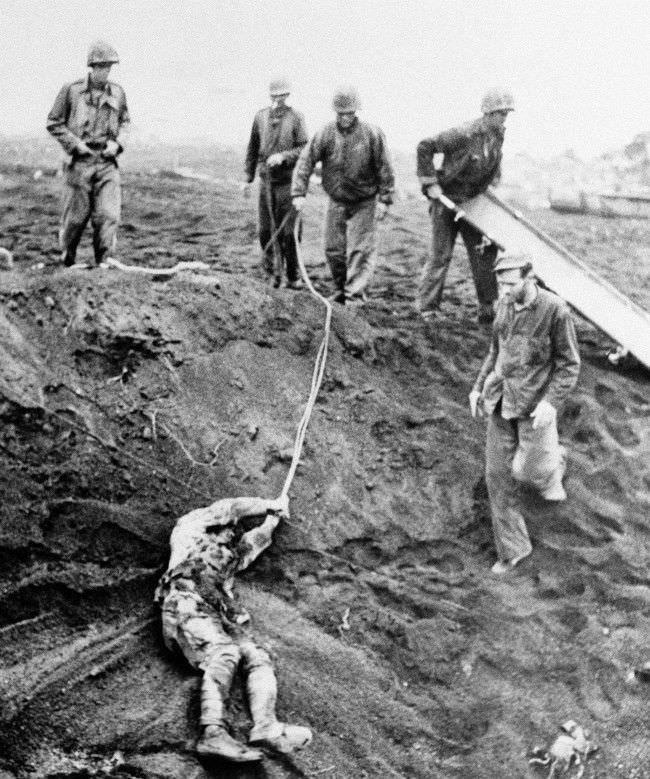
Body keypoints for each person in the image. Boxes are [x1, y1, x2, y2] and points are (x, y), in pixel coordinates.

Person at [155, 493, 312, 762]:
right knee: (224, 653)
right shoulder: (190, 531)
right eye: (229, 528)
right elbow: (228, 508)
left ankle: (266, 726)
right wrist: (267, 504)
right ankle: (212, 734)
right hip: (184, 604)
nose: (233, 533)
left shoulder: (228, 558)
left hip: (215, 615)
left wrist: (271, 522)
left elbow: (252, 545)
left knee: (258, 655)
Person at [469, 253, 580, 574]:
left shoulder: (555, 311)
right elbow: (496, 351)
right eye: (500, 283)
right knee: (497, 476)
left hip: (534, 406)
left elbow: (569, 364)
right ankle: (514, 548)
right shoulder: (502, 306)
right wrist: (478, 387)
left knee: (529, 473)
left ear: (530, 278)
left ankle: (554, 461)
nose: (503, 290)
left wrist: (551, 402)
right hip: (501, 400)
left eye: (510, 283)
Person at [416, 89, 515, 323]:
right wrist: (430, 184)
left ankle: (487, 308)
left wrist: (494, 180)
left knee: (484, 253)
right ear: (488, 113)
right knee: (441, 255)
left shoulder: (498, 134)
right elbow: (425, 147)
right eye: (500, 113)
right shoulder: (464, 133)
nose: (504, 118)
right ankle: (427, 308)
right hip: (447, 201)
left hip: (472, 201)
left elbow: (493, 159)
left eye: (506, 114)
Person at [291, 86, 394, 305]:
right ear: (335, 113)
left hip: (364, 201)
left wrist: (385, 199)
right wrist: (298, 192)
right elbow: (305, 161)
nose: (345, 117)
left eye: (350, 113)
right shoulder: (326, 133)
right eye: (341, 113)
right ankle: (340, 288)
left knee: (360, 250)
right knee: (332, 249)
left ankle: (354, 296)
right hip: (336, 199)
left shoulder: (372, 134)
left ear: (356, 112)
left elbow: (385, 167)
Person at [46, 41, 130, 268]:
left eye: (109, 67)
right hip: (79, 162)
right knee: (74, 219)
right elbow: (54, 122)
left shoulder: (118, 93)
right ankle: (67, 262)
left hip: (106, 162)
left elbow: (126, 123)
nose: (105, 71)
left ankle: (105, 263)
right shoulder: (71, 91)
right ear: (91, 67)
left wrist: (117, 143)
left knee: (108, 216)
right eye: (101, 66)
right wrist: (74, 144)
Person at [244, 78, 308, 289]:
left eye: (282, 96)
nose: (278, 100)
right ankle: (272, 274)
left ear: (287, 96)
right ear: (270, 96)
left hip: (288, 184)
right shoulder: (260, 117)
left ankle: (292, 275)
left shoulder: (296, 118)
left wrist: (283, 157)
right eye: (275, 96)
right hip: (266, 184)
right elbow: (253, 149)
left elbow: (304, 149)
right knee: (265, 232)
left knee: (289, 234)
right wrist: (248, 179)